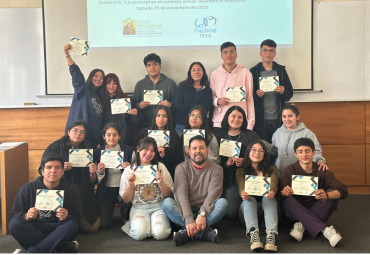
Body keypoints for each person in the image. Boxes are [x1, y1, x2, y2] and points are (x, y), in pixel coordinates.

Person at [279, 138, 348, 247]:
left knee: (331, 195)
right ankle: (325, 230)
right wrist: (284, 192)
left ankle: (301, 225)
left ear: (313, 153)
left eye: (307, 151)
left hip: (317, 205)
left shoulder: (322, 170)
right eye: (300, 152)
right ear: (296, 154)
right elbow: (279, 194)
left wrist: (326, 195)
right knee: (288, 199)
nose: (304, 154)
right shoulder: (290, 169)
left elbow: (343, 190)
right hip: (295, 209)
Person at [162, 135, 228, 246]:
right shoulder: (181, 167)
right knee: (167, 203)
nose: (198, 151)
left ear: (207, 150)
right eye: (194, 148)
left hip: (207, 210)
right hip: (184, 210)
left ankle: (187, 232)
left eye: (201, 148)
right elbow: (181, 195)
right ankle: (203, 232)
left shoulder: (217, 169)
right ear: (189, 151)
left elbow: (213, 194)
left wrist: (202, 214)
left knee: (223, 203)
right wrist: (189, 219)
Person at [9, 153, 80, 253]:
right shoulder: (26, 189)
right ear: (42, 171)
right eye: (48, 167)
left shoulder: (71, 192)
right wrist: (25, 215)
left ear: (63, 171)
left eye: (57, 167)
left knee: (72, 225)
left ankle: (34, 251)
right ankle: (59, 248)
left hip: (56, 228)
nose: (53, 171)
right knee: (14, 224)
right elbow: (13, 215)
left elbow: (76, 218)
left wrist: (66, 216)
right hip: (33, 226)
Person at [39, 119, 100, 233]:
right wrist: (60, 169)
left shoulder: (88, 149)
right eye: (75, 130)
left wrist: (92, 172)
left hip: (83, 191)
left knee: (92, 228)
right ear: (68, 132)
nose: (78, 134)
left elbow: (91, 181)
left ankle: (73, 222)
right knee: (63, 226)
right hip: (60, 189)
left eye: (82, 132)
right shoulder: (55, 147)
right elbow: (41, 171)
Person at [119, 137, 174, 241]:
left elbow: (169, 194)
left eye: (153, 151)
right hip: (139, 207)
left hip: (159, 206)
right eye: (146, 149)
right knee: (139, 234)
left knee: (161, 234)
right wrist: (131, 185)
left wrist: (161, 184)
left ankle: (152, 225)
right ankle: (139, 224)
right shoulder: (129, 170)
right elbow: (126, 200)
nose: (149, 153)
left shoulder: (160, 167)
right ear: (138, 149)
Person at [216, 106, 260, 220]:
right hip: (228, 179)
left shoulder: (251, 135)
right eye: (233, 116)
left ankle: (246, 210)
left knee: (235, 212)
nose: (236, 119)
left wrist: (246, 162)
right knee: (230, 213)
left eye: (240, 117)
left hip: (248, 177)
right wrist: (226, 165)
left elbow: (261, 155)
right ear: (227, 117)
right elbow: (214, 162)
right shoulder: (219, 136)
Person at [236, 140, 279, 252]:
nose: (257, 153)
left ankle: (271, 236)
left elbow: (274, 184)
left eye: (261, 151)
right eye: (253, 150)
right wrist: (243, 193)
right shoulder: (241, 171)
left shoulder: (272, 169)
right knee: (248, 201)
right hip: (249, 212)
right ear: (248, 152)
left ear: (265, 154)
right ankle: (254, 235)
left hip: (269, 212)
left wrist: (272, 192)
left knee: (268, 198)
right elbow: (241, 186)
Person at [250, 39, 294, 143]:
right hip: (260, 120)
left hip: (278, 119)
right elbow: (248, 96)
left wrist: (283, 92)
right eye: (265, 50)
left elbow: (289, 94)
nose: (268, 53)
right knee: (263, 148)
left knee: (277, 148)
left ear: (275, 53)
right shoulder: (254, 71)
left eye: (271, 50)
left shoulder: (281, 71)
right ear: (260, 53)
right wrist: (257, 95)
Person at [63, 44, 105, 148]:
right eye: (96, 76)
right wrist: (67, 54)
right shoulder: (83, 89)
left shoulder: (101, 96)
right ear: (91, 77)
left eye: (101, 78)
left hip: (92, 140)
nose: (98, 79)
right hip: (78, 137)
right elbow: (76, 74)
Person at [93, 123, 134, 229]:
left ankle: (126, 213)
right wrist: (100, 171)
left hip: (123, 187)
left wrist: (130, 168)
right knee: (103, 224)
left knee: (128, 218)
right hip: (106, 189)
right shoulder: (97, 153)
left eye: (115, 135)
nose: (112, 138)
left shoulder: (128, 150)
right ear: (104, 136)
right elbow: (95, 179)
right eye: (108, 135)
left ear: (119, 136)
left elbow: (138, 170)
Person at [210, 42, 255, 134]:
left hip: (240, 122)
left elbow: (249, 100)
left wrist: (250, 124)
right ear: (221, 56)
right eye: (225, 52)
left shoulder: (246, 73)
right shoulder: (214, 74)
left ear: (236, 54)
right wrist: (217, 101)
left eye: (231, 52)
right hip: (220, 122)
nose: (229, 55)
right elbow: (211, 97)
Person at [272, 104, 329, 176]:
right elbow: (273, 152)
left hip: (300, 176)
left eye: (290, 116)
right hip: (279, 174)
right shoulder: (277, 133)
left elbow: (316, 151)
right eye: (284, 116)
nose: (287, 119)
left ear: (297, 117)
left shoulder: (307, 133)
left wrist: (320, 161)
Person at [134, 105, 183, 178]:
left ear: (169, 118)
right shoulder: (144, 133)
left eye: (165, 116)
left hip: (166, 173)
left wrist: (165, 155)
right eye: (158, 115)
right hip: (145, 172)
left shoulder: (173, 136)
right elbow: (135, 151)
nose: (161, 119)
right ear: (154, 117)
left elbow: (179, 160)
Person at [133, 53, 177, 128]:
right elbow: (134, 104)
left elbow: (177, 104)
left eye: (155, 64)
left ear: (160, 66)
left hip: (165, 127)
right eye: (149, 65)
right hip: (145, 125)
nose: (152, 67)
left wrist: (170, 104)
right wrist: (139, 105)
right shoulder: (140, 84)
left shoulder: (170, 84)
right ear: (146, 68)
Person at [101, 73, 141, 147]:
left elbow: (135, 122)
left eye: (114, 83)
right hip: (107, 140)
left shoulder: (127, 99)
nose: (111, 86)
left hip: (125, 139)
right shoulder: (101, 101)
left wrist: (136, 114)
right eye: (109, 83)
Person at [173, 62, 213, 134]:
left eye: (199, 70)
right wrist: (198, 108)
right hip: (182, 124)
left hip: (200, 125)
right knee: (180, 145)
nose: (196, 72)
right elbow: (178, 105)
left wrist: (187, 103)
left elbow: (205, 108)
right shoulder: (182, 86)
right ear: (190, 73)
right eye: (193, 70)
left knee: (198, 145)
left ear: (203, 72)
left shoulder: (207, 90)